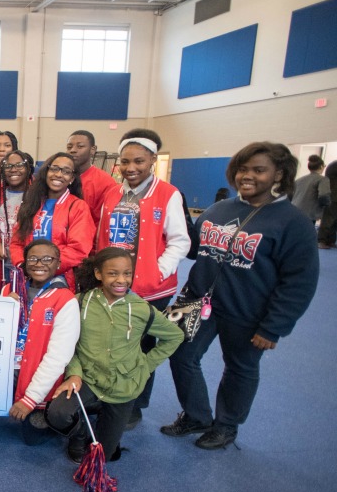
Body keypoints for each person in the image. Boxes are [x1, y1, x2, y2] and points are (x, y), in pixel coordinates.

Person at [162, 142, 319, 450]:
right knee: (180, 355)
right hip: (197, 302)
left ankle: (226, 425)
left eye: (259, 170)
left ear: (279, 174)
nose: (247, 176)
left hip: (249, 312)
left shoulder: (293, 222)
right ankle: (197, 416)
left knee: (239, 368)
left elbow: (299, 281)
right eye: (242, 169)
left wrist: (274, 326)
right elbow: (193, 249)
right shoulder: (218, 209)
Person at [47, 247, 183, 463]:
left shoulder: (142, 309)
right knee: (57, 414)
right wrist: (74, 373)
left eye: (127, 273)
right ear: (98, 274)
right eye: (113, 273)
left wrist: (145, 366)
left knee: (105, 456)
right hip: (88, 380)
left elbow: (175, 336)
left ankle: (106, 427)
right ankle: (80, 435)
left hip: (123, 385)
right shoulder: (80, 302)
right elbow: (68, 343)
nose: (121, 280)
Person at [95, 129, 191, 428]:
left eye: (139, 161)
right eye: (125, 161)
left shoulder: (168, 194)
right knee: (113, 343)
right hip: (113, 286)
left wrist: (157, 271)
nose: (131, 167)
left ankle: (135, 404)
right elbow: (102, 236)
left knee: (143, 347)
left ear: (152, 160)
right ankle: (109, 396)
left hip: (151, 290)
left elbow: (180, 241)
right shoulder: (112, 193)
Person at [0, 240, 79, 448]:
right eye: (33, 258)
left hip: (37, 376)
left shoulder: (65, 300)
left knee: (33, 439)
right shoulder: (9, 290)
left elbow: (58, 357)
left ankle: (58, 417)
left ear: (58, 264)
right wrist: (4, 309)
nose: (39, 264)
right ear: (24, 262)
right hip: (8, 368)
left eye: (47, 259)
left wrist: (30, 399)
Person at [10, 152, 94, 288]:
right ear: (46, 172)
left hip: (60, 279)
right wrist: (24, 266)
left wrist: (46, 267)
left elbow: (78, 249)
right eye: (54, 169)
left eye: (66, 171)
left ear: (72, 178)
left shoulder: (78, 207)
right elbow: (16, 242)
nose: (59, 174)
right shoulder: (32, 203)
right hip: (28, 277)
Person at [0, 150, 34, 295]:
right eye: (8, 166)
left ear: (28, 169)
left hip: (28, 268)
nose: (13, 169)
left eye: (19, 165)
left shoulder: (37, 199)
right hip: (1, 267)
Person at [66, 130, 119, 226]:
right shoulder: (61, 178)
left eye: (80, 146)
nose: (73, 150)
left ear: (93, 149)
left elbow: (104, 221)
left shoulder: (105, 182)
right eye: (69, 147)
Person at [292, 154, 331, 222]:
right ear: (321, 166)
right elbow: (323, 195)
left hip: (294, 212)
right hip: (309, 214)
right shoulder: (322, 179)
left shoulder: (299, 180)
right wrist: (328, 205)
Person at [319, 160, 337, 249]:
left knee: (334, 221)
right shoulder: (334, 165)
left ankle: (330, 241)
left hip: (334, 196)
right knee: (328, 220)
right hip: (333, 197)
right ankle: (321, 240)